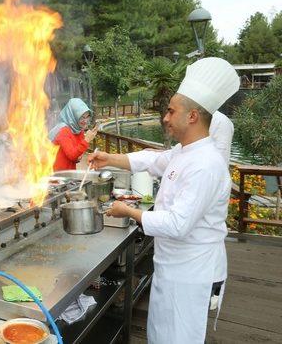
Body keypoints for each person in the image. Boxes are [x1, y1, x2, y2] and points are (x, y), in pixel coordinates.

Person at [88, 57, 240, 343]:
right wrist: (110, 158)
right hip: (171, 267)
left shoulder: (206, 164)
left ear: (192, 116)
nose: (166, 118)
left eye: (171, 111)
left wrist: (129, 212)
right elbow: (153, 159)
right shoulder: (186, 151)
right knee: (159, 336)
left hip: (191, 274)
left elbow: (178, 224)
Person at [48, 98, 98, 171]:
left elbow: (76, 153)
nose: (85, 121)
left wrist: (79, 156)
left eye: (87, 117)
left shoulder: (78, 129)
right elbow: (72, 155)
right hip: (57, 174)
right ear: (73, 115)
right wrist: (87, 140)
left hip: (69, 172)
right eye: (82, 117)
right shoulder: (63, 130)